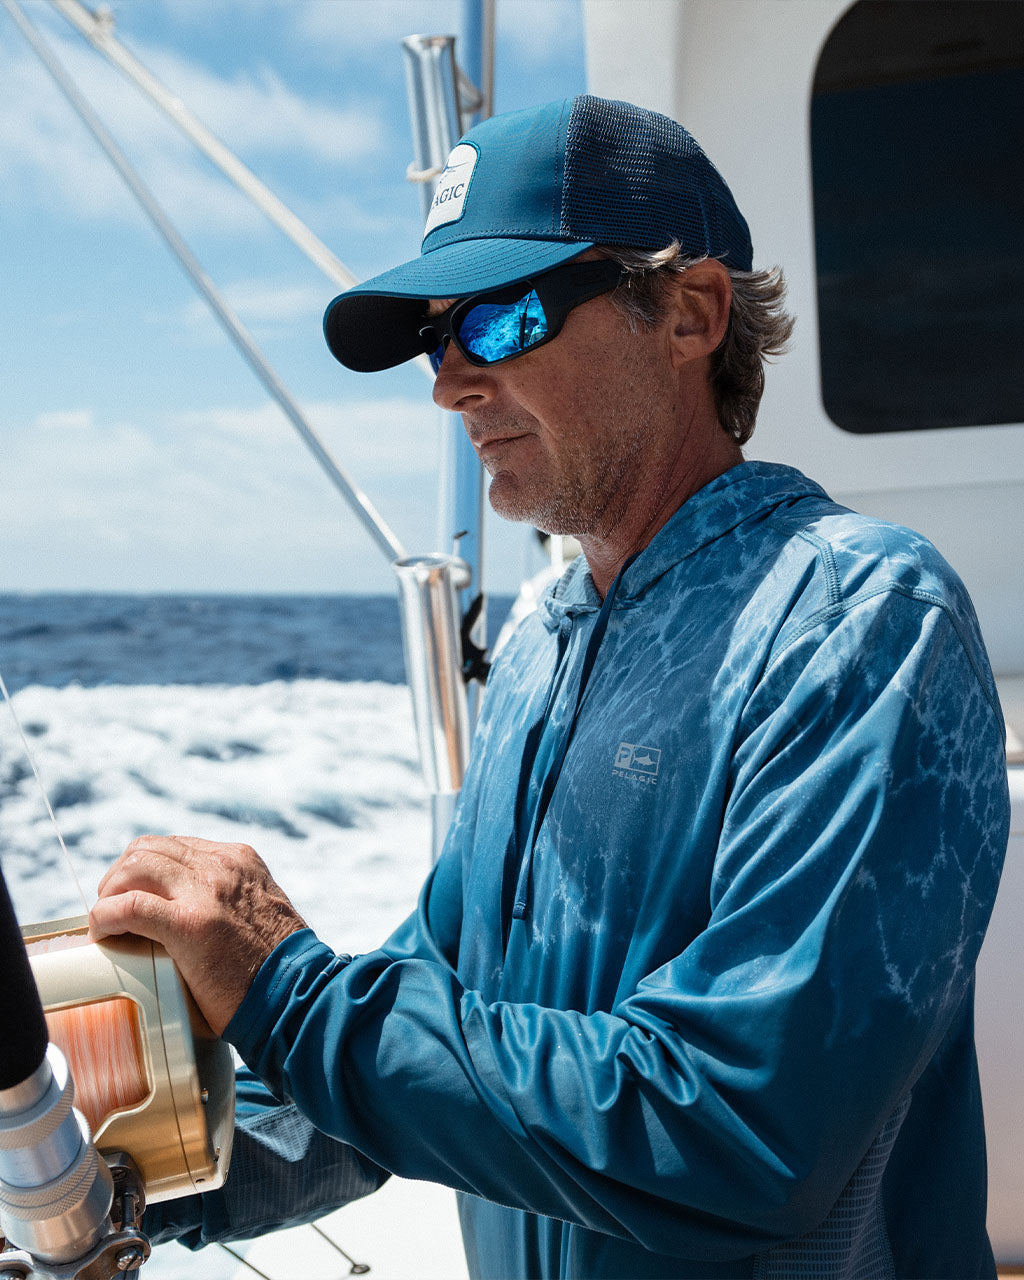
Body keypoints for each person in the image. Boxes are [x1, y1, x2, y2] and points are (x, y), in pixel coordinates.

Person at [91, 96, 1010, 1279]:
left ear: (688, 313)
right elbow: (424, 1040)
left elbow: (747, 1129)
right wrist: (125, 1169)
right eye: (438, 337)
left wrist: (294, 993)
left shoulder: (863, 621)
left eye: (505, 318)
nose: (451, 383)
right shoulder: (541, 641)